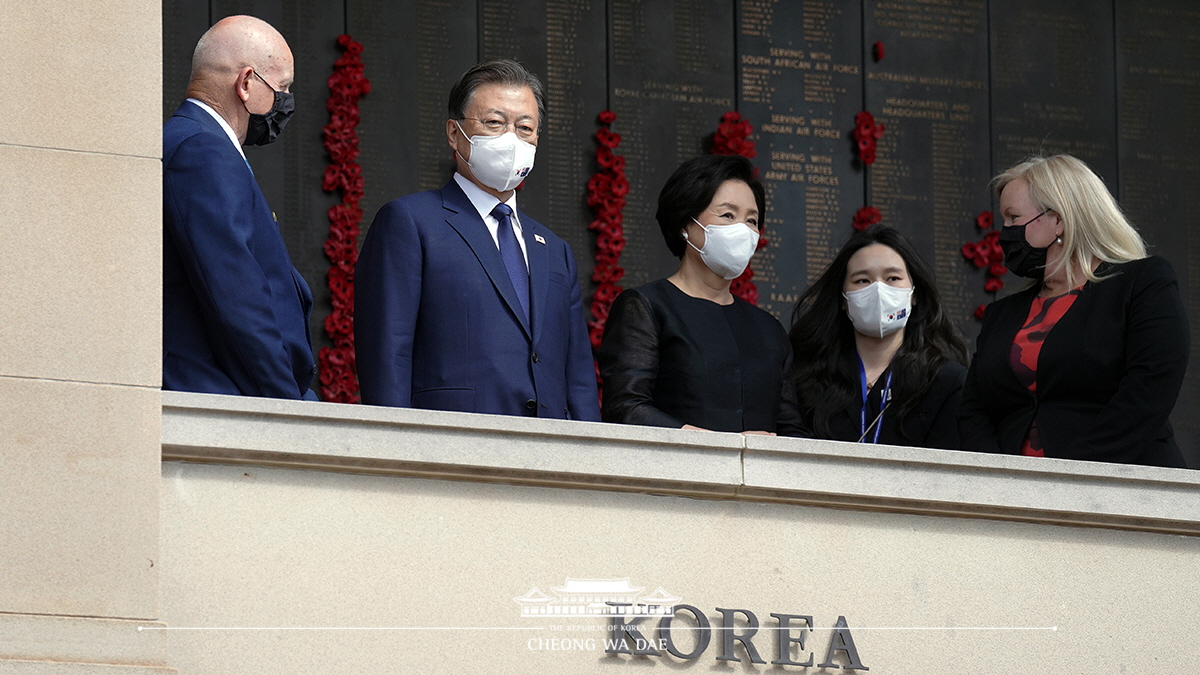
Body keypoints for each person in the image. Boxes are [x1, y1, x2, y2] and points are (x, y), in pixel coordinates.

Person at [356, 59, 599, 420]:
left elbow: (577, 376)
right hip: (452, 446)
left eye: (525, 127)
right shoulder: (411, 222)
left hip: (549, 456)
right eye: (494, 123)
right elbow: (387, 352)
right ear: (454, 134)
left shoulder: (554, 249)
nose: (511, 139)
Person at [959, 154, 1189, 467]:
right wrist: (999, 478)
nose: (1004, 232)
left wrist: (1075, 474)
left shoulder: (1142, 284)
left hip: (1124, 486)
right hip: (1016, 498)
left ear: (1059, 220)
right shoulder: (1002, 314)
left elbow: (1150, 389)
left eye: (1013, 218)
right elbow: (974, 409)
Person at [163, 15, 317, 400]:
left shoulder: (191, 142)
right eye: (281, 88)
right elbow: (236, 297)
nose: (285, 103)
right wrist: (286, 404)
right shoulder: (203, 150)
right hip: (223, 396)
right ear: (246, 83)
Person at [597, 154, 800, 434]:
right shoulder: (647, 308)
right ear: (685, 223)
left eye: (751, 221)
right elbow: (626, 408)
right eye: (728, 215)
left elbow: (793, 429)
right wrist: (705, 442)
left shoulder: (769, 329)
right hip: (676, 472)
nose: (743, 229)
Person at [787, 226, 968, 447]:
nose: (878, 291)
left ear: (914, 294)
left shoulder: (946, 382)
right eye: (862, 280)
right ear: (843, 299)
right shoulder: (807, 376)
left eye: (892, 278)